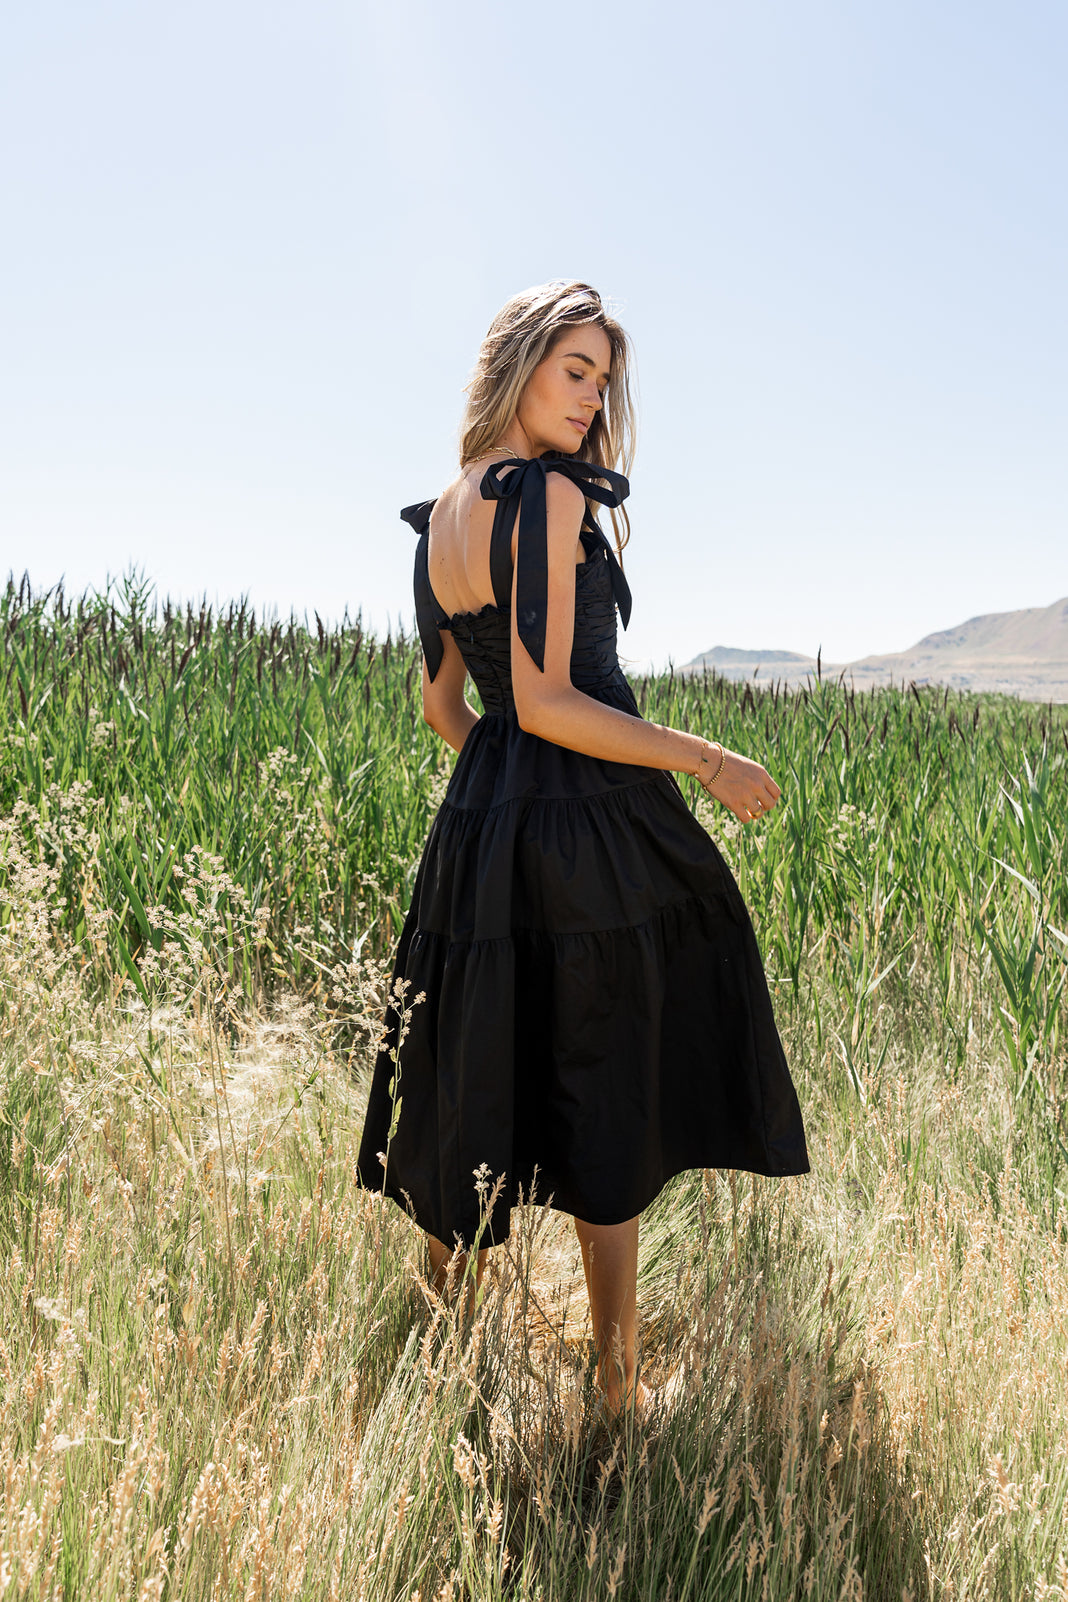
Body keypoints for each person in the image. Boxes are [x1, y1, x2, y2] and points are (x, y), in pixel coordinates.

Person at [356, 280, 808, 1419]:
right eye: (574, 371)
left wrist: (504, 786)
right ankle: (614, 1385)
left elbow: (446, 711)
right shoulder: (550, 495)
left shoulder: (440, 517)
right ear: (516, 365)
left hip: (483, 825)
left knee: (481, 1060)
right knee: (606, 1073)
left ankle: (443, 1345)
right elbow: (555, 699)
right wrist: (706, 760)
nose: (593, 398)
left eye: (602, 381)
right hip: (587, 821)